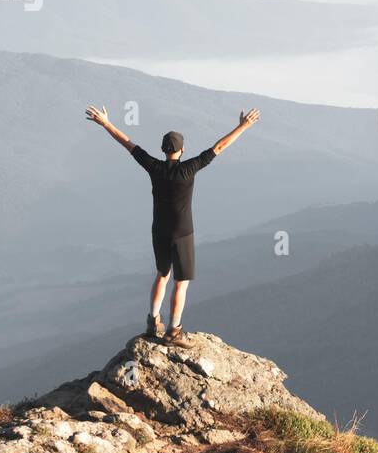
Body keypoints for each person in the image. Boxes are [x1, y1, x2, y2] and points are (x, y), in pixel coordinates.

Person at [84, 104, 260, 347]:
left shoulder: (154, 168)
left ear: (163, 150)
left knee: (162, 275)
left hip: (159, 231)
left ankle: (152, 320)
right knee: (181, 282)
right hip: (183, 233)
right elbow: (220, 147)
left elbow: (128, 143)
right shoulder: (190, 169)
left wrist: (105, 123)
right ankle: (174, 331)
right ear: (182, 149)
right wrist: (243, 126)